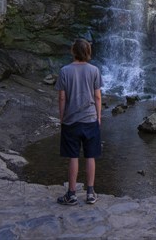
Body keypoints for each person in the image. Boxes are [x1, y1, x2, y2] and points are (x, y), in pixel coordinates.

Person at [56, 38, 102, 205]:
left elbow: (62, 97)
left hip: (71, 120)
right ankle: (90, 193)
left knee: (73, 157)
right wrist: (98, 116)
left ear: (73, 51)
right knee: (91, 156)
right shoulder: (94, 70)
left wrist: (62, 116)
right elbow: (97, 96)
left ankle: (72, 194)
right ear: (88, 52)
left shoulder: (64, 71)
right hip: (90, 119)